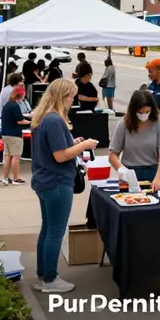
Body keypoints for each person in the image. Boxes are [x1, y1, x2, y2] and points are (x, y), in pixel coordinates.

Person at [31, 79, 99, 293]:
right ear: (62, 97)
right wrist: (83, 145)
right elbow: (60, 156)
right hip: (57, 182)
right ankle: (51, 279)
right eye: (70, 96)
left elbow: (57, 148)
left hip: (43, 181)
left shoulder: (42, 118)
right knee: (55, 232)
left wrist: (73, 142)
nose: (72, 101)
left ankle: (43, 275)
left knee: (47, 229)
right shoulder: (55, 120)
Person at [108, 89, 160, 190]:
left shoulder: (159, 122)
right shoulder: (123, 124)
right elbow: (113, 154)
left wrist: (158, 178)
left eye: (147, 112)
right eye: (140, 112)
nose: (144, 115)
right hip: (130, 173)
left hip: (152, 172)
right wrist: (122, 170)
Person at [0, 83, 31, 185]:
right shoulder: (15, 106)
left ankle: (6, 177)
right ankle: (16, 178)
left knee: (8, 156)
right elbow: (20, 121)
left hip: (5, 133)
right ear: (21, 95)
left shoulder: (7, 105)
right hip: (14, 134)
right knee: (16, 156)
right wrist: (31, 122)